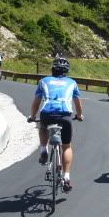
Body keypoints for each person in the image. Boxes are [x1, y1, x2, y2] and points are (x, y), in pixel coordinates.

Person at [27, 57, 84, 192]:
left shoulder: (44, 81)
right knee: (66, 146)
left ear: (53, 69)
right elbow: (77, 102)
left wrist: (32, 117)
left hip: (47, 114)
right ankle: (66, 177)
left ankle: (44, 150)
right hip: (65, 116)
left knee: (42, 127)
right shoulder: (72, 83)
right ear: (66, 71)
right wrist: (79, 115)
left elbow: (37, 102)